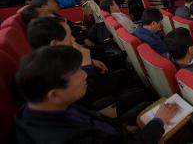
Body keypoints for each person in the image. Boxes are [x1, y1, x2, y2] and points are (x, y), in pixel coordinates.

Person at [14, 45, 178, 144]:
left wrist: (123, 128)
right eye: (78, 73)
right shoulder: (63, 139)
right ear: (54, 95)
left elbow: (90, 119)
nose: (85, 75)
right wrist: (158, 121)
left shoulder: (43, 107)